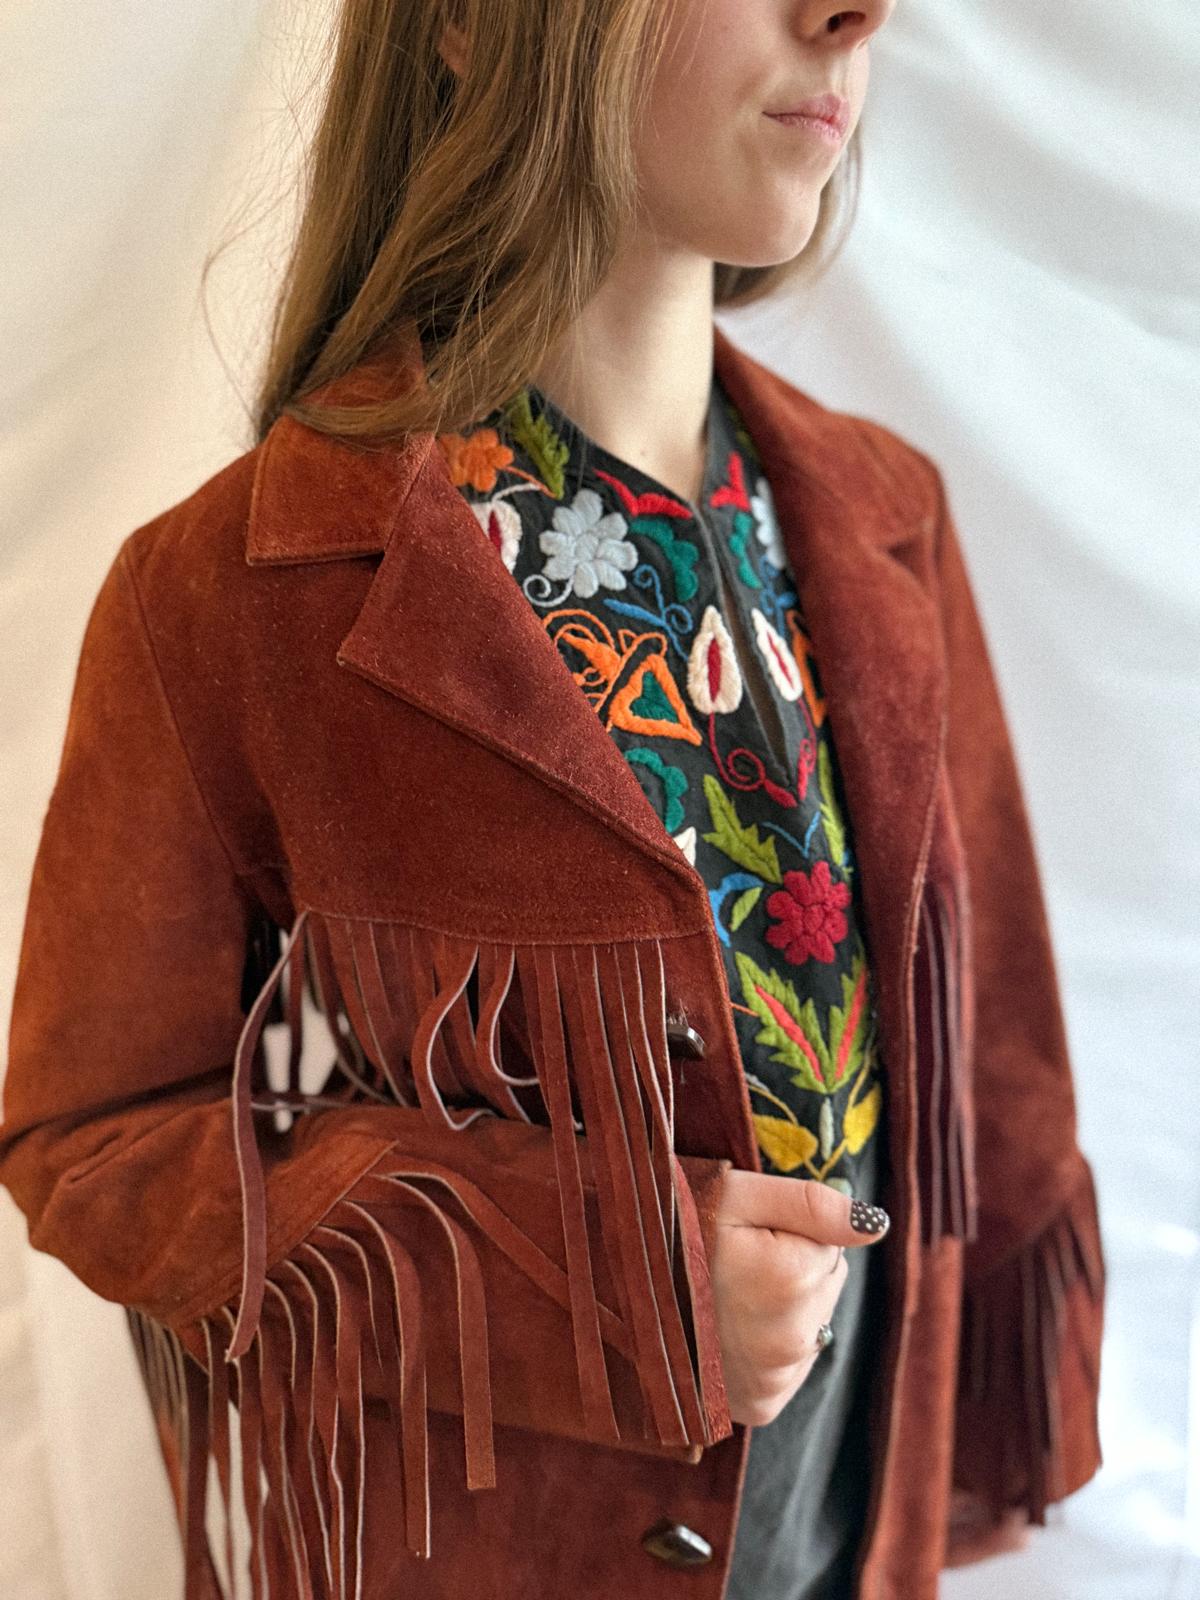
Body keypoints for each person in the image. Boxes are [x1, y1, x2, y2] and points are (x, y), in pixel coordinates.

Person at [0, 2, 1105, 1598]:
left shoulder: (884, 519)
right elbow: (93, 1139)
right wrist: (608, 1285)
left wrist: (997, 1417)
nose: (854, 13)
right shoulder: (240, 593)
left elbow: (995, 1046)